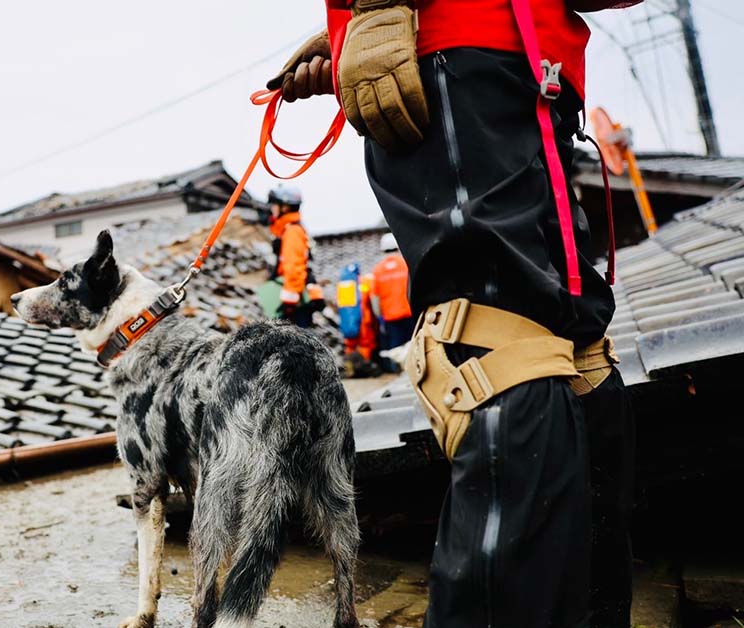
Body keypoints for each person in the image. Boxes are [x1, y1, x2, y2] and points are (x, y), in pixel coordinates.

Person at [267, 1, 638, 626]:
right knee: (504, 344)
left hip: (529, 68)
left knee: (574, 357)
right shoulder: (297, 236)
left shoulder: (294, 235)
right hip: (467, 55)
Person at [268, 185, 324, 328]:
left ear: (285, 207)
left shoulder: (292, 231)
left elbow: (294, 266)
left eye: (275, 205)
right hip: (297, 297)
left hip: (295, 302)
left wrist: (289, 302)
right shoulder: (291, 229)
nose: (272, 208)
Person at [372, 232, 413, 373]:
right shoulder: (406, 264)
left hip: (390, 316)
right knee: (413, 344)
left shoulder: (378, 270)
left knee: (395, 347)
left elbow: (374, 299)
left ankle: (398, 371)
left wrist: (379, 316)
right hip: (409, 313)